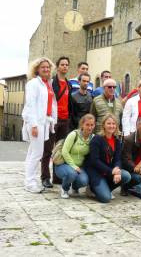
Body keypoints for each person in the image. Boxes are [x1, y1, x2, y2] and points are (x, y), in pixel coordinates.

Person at [22, 57, 57, 193]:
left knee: (32, 152)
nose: (46, 69)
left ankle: (29, 179)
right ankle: (30, 183)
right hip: (35, 122)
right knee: (37, 153)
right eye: (43, 67)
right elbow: (30, 106)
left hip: (43, 122)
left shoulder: (46, 83)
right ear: (37, 69)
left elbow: (49, 105)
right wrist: (34, 125)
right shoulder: (33, 84)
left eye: (48, 67)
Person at [41, 56, 72, 188]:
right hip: (53, 119)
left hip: (65, 120)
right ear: (58, 67)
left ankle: (57, 178)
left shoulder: (69, 83)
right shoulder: (51, 82)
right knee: (48, 149)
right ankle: (45, 177)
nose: (64, 67)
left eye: (66, 65)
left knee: (59, 150)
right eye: (62, 64)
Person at [86, 113, 131, 203]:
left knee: (126, 176)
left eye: (113, 123)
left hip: (109, 171)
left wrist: (117, 169)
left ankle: (106, 188)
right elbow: (94, 161)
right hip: (96, 172)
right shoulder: (97, 139)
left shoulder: (116, 140)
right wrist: (111, 171)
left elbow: (118, 158)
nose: (111, 126)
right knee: (106, 198)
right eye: (109, 123)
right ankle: (92, 188)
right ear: (103, 125)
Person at [54, 114, 95, 198]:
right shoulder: (74, 135)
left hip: (79, 167)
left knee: (84, 181)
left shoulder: (93, 138)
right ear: (82, 125)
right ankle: (65, 189)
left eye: (92, 125)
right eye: (87, 124)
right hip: (64, 164)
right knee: (72, 174)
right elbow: (64, 152)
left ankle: (75, 187)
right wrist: (74, 166)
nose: (89, 127)